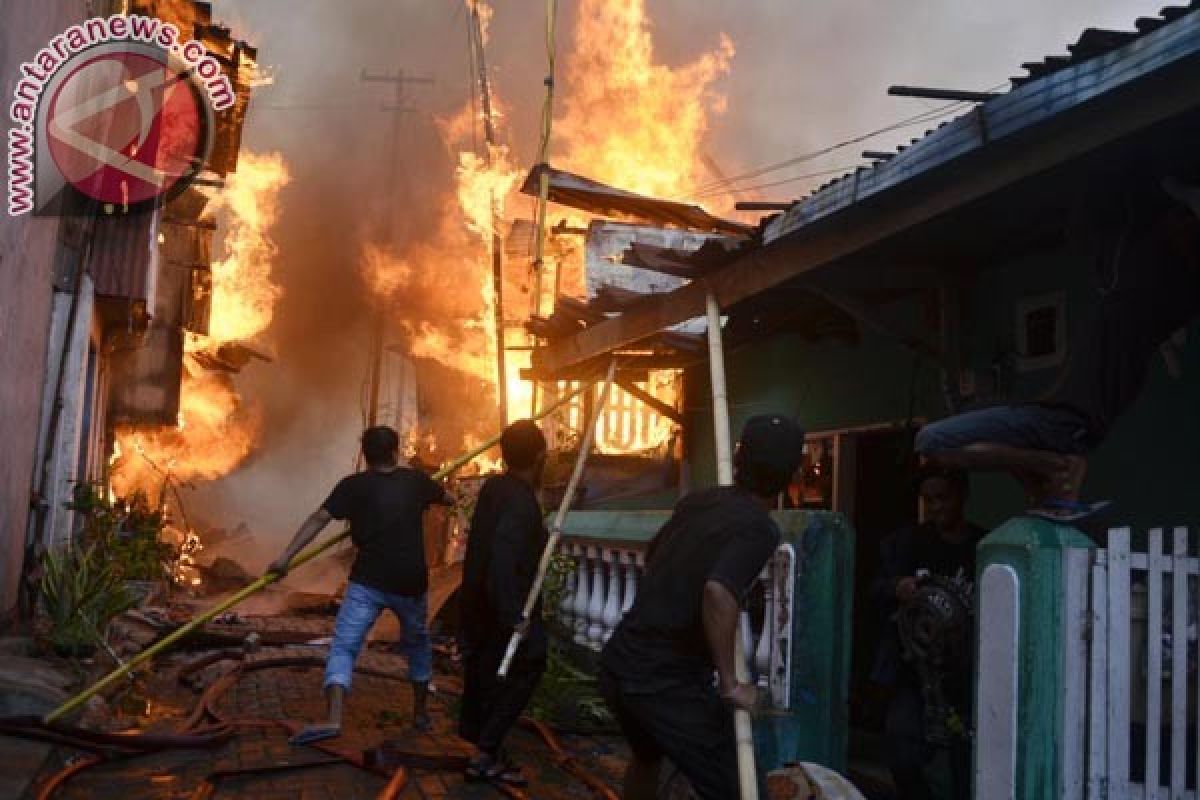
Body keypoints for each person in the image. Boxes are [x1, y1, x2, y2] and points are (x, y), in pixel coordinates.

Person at [914, 177, 1200, 518]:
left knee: (931, 443)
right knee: (947, 447)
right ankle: (1051, 473)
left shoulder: (1150, 302)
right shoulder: (1142, 301)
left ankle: (1053, 468)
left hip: (1060, 421)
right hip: (1055, 420)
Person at [599, 414, 806, 800]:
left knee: (646, 758)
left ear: (739, 458)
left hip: (619, 662)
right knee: (735, 787)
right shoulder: (759, 528)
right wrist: (730, 685)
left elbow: (654, 555)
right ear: (791, 475)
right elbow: (717, 593)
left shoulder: (698, 502)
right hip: (664, 682)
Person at [266, 425, 452, 742]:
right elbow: (447, 498)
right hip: (410, 583)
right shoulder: (416, 481)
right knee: (417, 646)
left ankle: (333, 719)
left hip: (368, 581)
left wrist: (285, 557)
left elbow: (317, 519)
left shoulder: (353, 487)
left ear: (365, 455)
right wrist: (426, 494)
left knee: (344, 647)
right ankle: (420, 715)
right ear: (396, 451)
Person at [872, 465, 986, 799]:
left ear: (963, 495)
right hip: (916, 675)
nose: (935, 507)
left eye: (943, 498)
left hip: (967, 676)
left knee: (967, 762)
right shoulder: (909, 542)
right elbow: (874, 588)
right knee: (901, 749)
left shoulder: (983, 546)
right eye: (928, 500)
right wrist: (897, 586)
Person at [457, 420, 549, 784]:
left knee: (488, 673)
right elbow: (503, 555)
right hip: (503, 607)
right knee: (528, 666)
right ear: (541, 456)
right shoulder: (520, 502)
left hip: (480, 603)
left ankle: (483, 743)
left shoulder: (495, 488)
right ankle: (484, 753)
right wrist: (514, 616)